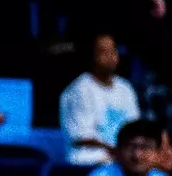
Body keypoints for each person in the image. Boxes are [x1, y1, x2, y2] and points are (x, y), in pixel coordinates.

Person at [60, 33, 141, 166]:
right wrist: (118, 152)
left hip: (123, 157)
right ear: (92, 57)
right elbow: (82, 138)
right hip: (89, 158)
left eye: (113, 51)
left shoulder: (126, 88)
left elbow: (135, 129)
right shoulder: (79, 89)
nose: (111, 56)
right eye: (104, 52)